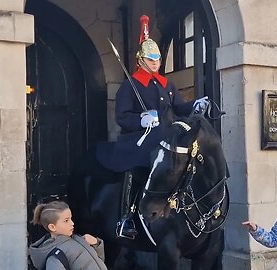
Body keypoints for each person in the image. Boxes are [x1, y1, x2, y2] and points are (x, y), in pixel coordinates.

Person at [96, 15, 209, 239]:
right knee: (136, 166)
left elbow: (179, 107)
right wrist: (141, 120)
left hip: (164, 136)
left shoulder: (166, 84)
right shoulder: (130, 85)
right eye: (150, 59)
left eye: (157, 58)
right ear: (141, 60)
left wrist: (195, 103)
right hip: (137, 138)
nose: (156, 62)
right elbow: (122, 116)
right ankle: (126, 216)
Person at [29, 201, 108, 270]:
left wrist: (96, 244)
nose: (72, 223)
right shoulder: (56, 256)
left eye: (71, 218)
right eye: (66, 220)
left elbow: (97, 263)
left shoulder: (76, 238)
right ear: (52, 227)